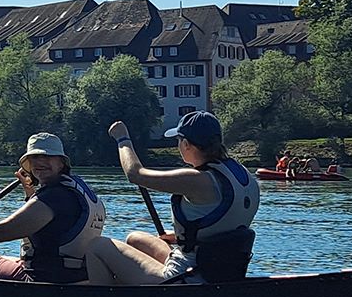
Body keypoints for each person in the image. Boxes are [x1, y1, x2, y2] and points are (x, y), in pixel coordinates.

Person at [0, 133, 108, 283]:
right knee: (11, 259)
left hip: (45, 279)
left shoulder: (53, 197)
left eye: (47, 156)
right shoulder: (76, 190)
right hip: (75, 275)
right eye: (34, 158)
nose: (40, 162)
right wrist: (30, 193)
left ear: (61, 163)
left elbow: (3, 231)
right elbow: (49, 224)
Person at [106, 111, 259, 284]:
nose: (178, 145)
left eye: (178, 140)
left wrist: (123, 140)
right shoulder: (245, 178)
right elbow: (223, 230)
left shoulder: (198, 180)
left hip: (187, 276)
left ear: (186, 144)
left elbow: (136, 175)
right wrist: (180, 237)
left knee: (100, 247)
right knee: (134, 238)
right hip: (217, 268)